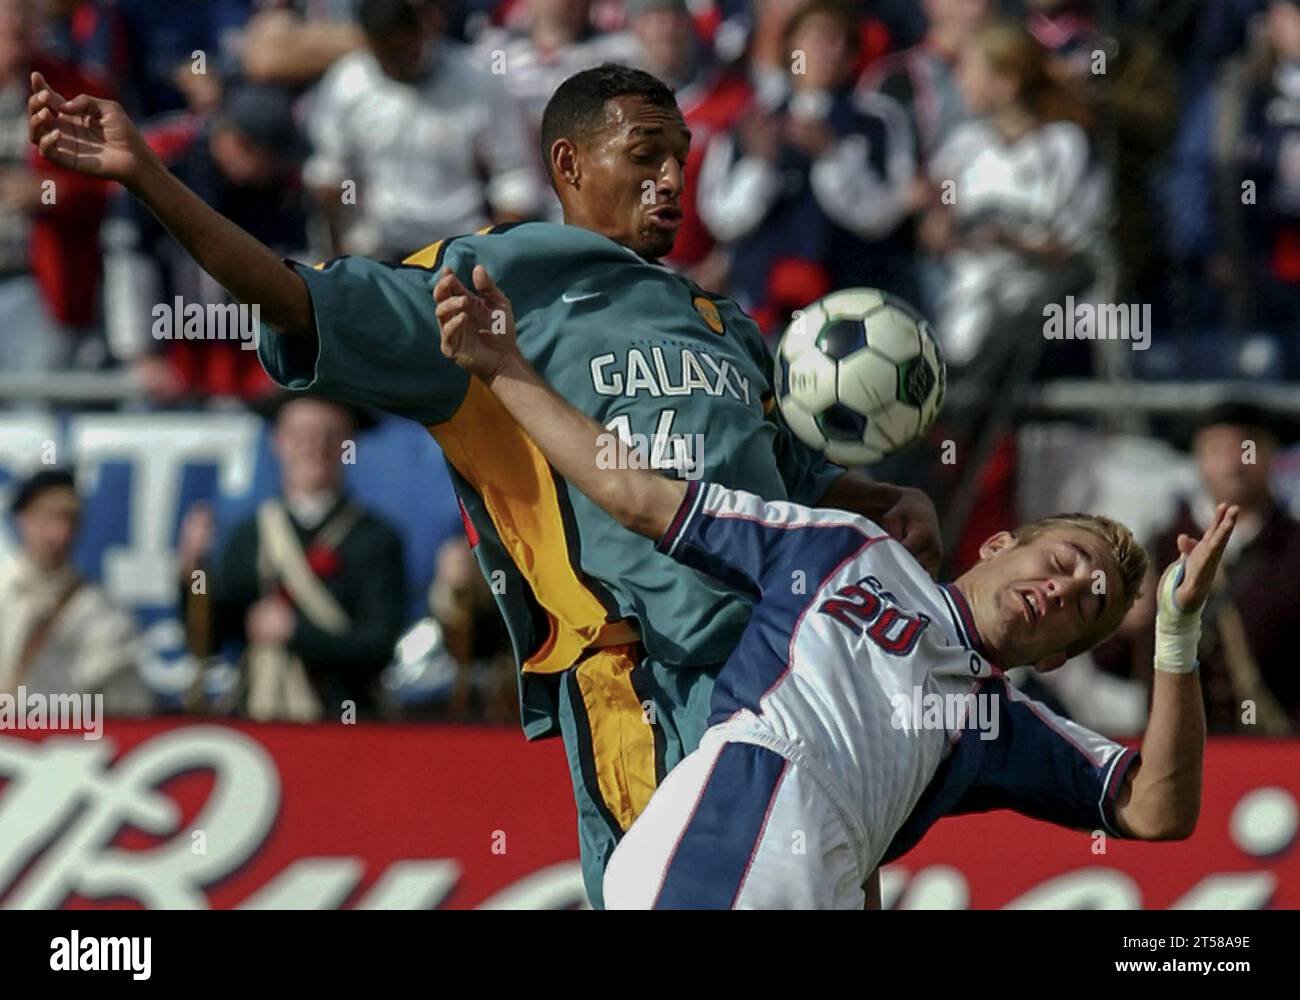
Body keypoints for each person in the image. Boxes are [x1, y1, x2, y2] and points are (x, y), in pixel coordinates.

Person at [28, 60, 941, 908]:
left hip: (791, 673)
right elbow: (292, 294)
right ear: (569, 163)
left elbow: (787, 485)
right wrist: (148, 177)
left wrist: (878, 499)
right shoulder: (492, 282)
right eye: (645, 155)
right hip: (646, 681)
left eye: (681, 158)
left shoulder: (723, 324)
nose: (671, 179)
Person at [435, 273, 1237, 909]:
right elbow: (640, 495)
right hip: (731, 832)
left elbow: (1159, 810)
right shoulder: (841, 547)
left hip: (817, 876)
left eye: (1088, 606)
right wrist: (505, 369)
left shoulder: (993, 723)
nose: (1064, 590)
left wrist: (1177, 632)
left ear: (1060, 656)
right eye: (1063, 560)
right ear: (998, 542)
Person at [177, 394, 408, 721]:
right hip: (262, 715)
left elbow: (378, 647)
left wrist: (295, 632)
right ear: (278, 442)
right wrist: (193, 574)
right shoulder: (250, 534)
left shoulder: (376, 539)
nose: (315, 447)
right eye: (301, 435)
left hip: (347, 719)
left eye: (330, 435)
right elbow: (206, 640)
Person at [697, 0, 916, 332]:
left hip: (850, 309)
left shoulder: (878, 121)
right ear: (790, 49)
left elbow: (882, 216)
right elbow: (722, 219)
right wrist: (761, 164)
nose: (829, 51)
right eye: (817, 38)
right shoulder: (753, 119)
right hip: (761, 311)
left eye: (841, 41)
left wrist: (833, 156)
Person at [920, 20, 1107, 368]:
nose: (960, 80)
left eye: (971, 69)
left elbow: (1080, 250)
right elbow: (936, 224)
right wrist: (940, 223)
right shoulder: (962, 147)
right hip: (970, 325)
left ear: (1006, 83)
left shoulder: (1064, 146)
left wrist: (1008, 241)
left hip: (1050, 323)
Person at [305, 0, 545, 259]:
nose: (397, 62)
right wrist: (336, 257)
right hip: (378, 251)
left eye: (404, 49)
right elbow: (330, 174)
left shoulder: (477, 81)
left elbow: (514, 177)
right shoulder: (348, 83)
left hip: (460, 247)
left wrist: (492, 252)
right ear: (369, 44)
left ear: (422, 32)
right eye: (386, 54)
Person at [0, 469, 148, 713]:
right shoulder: (4, 591)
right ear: (22, 519)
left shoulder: (101, 612)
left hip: (64, 742)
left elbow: (127, 708)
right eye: (46, 518)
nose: (58, 534)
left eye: (68, 520)